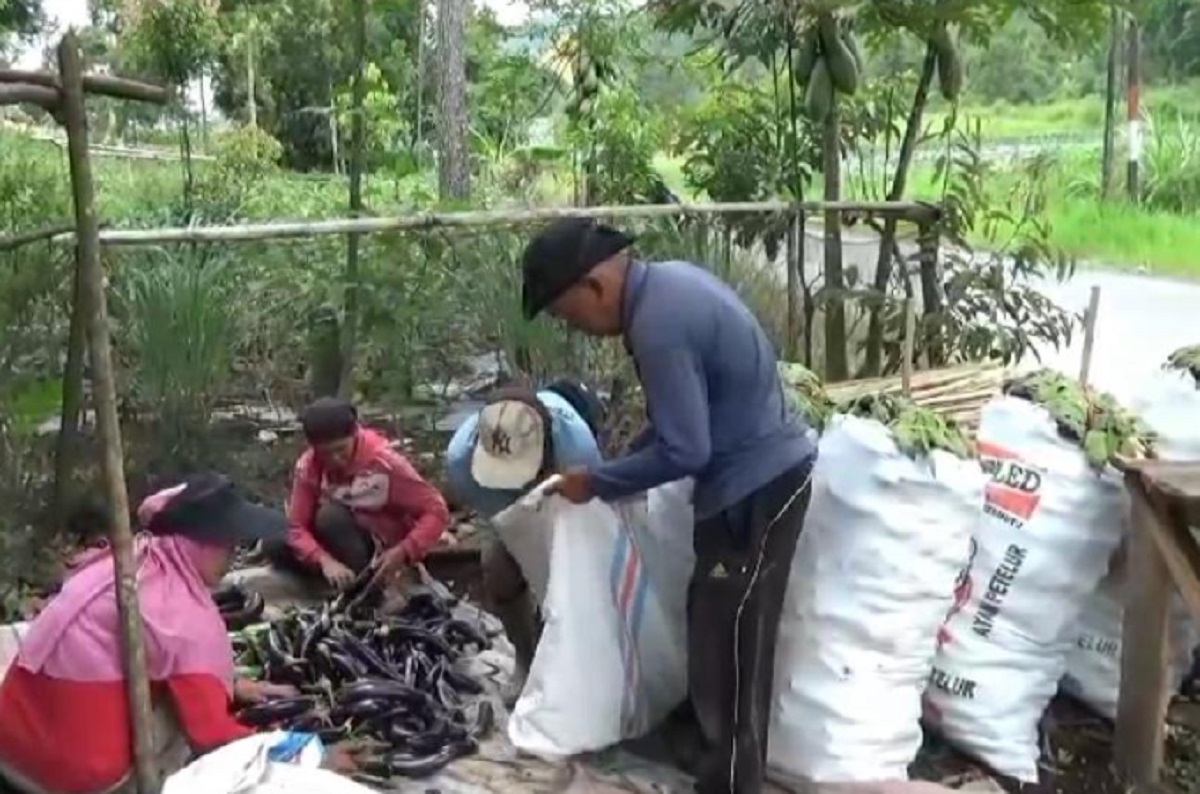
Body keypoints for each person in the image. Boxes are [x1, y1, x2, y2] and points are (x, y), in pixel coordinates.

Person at [520, 218, 818, 794]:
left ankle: (733, 782)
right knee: (710, 619)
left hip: (757, 489)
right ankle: (704, 750)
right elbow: (676, 420)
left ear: (594, 287)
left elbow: (687, 447)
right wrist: (617, 467)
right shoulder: (669, 287)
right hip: (745, 481)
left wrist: (601, 483)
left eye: (565, 313)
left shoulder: (657, 324)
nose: (574, 327)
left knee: (733, 642)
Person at [0, 474, 363, 794]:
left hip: (13, 746)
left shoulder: (122, 563)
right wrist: (308, 755)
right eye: (226, 544)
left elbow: (144, 653)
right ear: (198, 543)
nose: (233, 554)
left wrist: (232, 684)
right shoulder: (181, 617)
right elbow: (213, 737)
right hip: (72, 778)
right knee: (186, 724)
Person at [443, 378, 605, 688]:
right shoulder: (461, 460)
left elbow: (590, 514)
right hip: (505, 507)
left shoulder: (578, 448)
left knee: (577, 580)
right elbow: (505, 523)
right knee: (499, 572)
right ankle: (527, 660)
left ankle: (584, 660)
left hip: (564, 492)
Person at [265, 397, 451, 591]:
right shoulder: (308, 467)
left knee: (330, 517)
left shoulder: (385, 463)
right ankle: (336, 581)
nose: (335, 459)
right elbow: (295, 526)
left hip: (377, 541)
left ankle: (370, 586)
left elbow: (436, 510)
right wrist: (324, 561)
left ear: (354, 435)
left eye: (340, 450)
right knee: (274, 541)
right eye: (325, 453)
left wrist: (404, 550)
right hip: (336, 544)